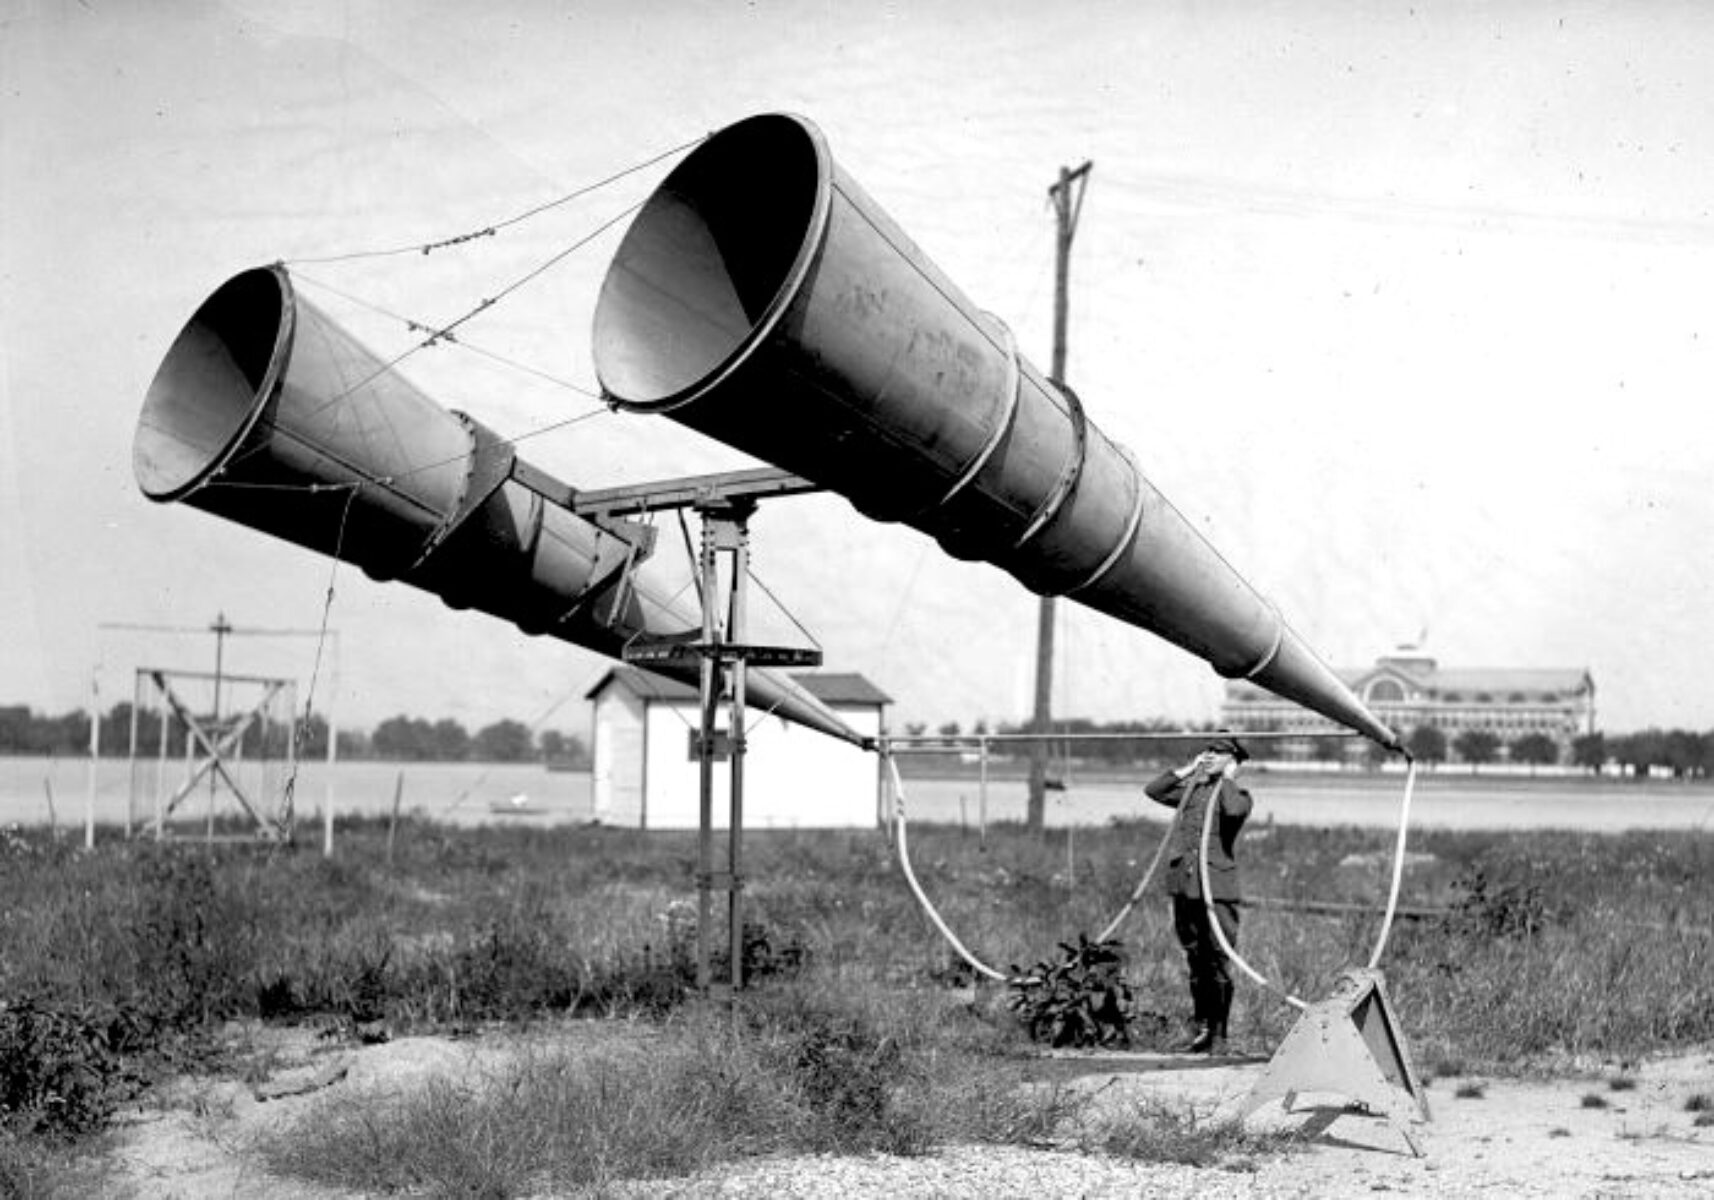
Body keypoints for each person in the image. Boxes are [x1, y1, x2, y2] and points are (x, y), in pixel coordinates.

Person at [1144, 736, 1253, 1054]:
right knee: (1196, 960)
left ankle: (1220, 1035)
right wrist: (1188, 769)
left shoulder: (1238, 795)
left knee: (1218, 960)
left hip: (1217, 891)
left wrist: (1229, 777)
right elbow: (1154, 790)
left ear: (1232, 760)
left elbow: (1233, 812)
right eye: (1208, 750)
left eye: (1217, 752)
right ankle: (1202, 1029)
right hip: (1185, 887)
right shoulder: (1194, 791)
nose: (1209, 755)